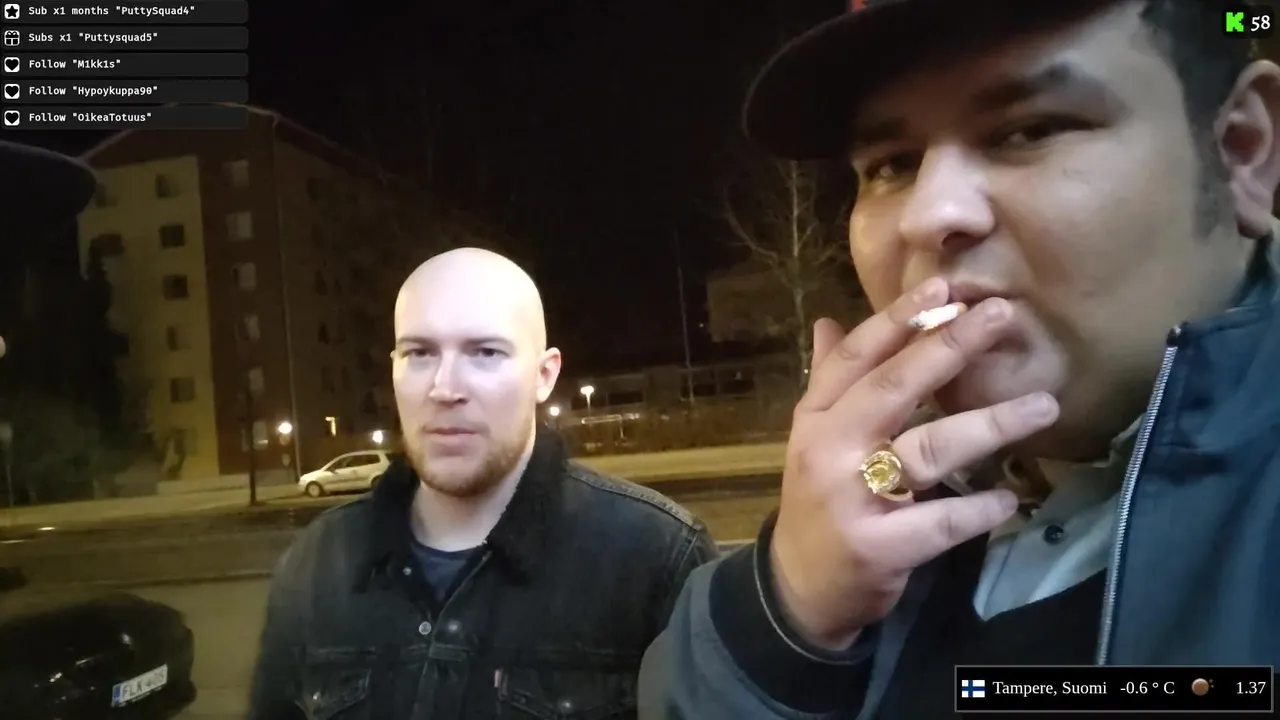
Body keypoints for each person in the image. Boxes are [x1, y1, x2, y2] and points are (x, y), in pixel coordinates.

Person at [641, 0, 1280, 717]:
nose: (927, 215)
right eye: (892, 165)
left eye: (1029, 130)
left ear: (1243, 152)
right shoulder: (867, 519)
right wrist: (784, 618)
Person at [248, 247, 717, 719]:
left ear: (544, 375)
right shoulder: (316, 565)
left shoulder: (654, 558)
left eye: (485, 352)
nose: (444, 388)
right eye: (419, 353)